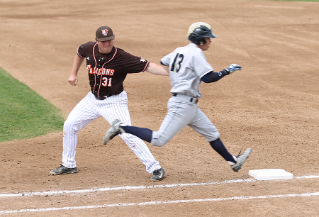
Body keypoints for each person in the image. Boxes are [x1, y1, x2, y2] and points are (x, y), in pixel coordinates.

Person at [103, 22, 251, 173]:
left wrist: (181, 75)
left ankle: (233, 162)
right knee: (158, 139)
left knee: (212, 133)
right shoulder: (196, 54)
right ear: (200, 40)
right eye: (208, 38)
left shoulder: (179, 50)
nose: (210, 41)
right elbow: (208, 78)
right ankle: (120, 128)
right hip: (182, 105)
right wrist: (227, 71)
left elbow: (164, 61)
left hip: (190, 106)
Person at [50, 25, 168, 181]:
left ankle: (156, 168)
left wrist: (170, 74)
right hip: (92, 100)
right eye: (103, 41)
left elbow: (149, 66)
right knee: (70, 124)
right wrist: (73, 74)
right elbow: (79, 52)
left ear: (113, 39)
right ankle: (69, 165)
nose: (107, 44)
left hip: (114, 103)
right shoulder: (89, 48)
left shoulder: (122, 57)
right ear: (97, 41)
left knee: (127, 133)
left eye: (109, 40)